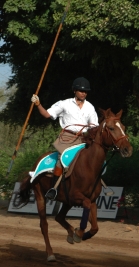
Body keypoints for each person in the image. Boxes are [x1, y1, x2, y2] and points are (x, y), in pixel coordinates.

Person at [31, 77, 99, 199]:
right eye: (80, 90)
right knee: (62, 159)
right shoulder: (64, 104)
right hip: (67, 138)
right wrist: (38, 104)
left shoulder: (90, 107)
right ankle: (54, 188)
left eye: (85, 91)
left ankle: (95, 185)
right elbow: (47, 114)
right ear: (74, 91)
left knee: (94, 159)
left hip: (84, 138)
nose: (84, 93)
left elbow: (94, 126)